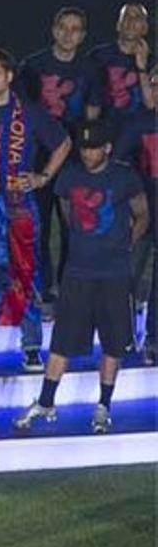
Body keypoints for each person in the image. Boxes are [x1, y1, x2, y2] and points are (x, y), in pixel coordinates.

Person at [14, 119, 149, 433]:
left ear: (107, 148)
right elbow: (64, 208)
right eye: (84, 149)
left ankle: (104, 405)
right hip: (78, 270)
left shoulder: (124, 176)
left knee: (113, 343)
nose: (88, 155)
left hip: (114, 271)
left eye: (93, 149)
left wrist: (129, 241)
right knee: (62, 340)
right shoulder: (70, 174)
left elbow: (142, 212)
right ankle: (46, 401)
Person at [0, 48, 71, 374]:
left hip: (19, 202)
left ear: (8, 76)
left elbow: (63, 144)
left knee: (26, 272)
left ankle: (32, 348)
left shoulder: (31, 114)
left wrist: (43, 176)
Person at [20, 6, 97, 301]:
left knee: (72, 225)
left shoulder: (89, 69)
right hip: (38, 155)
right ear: (54, 30)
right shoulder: (33, 66)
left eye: (75, 29)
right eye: (63, 27)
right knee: (37, 224)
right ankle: (42, 288)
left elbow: (92, 115)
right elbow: (23, 115)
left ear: (83, 35)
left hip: (74, 158)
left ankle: (68, 287)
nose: (68, 34)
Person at [112, 64, 158, 362]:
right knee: (126, 272)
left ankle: (153, 338)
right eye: (155, 83)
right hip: (141, 208)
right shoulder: (138, 122)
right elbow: (117, 162)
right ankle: (122, 337)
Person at [87, 3, 153, 131]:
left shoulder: (153, 63)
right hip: (103, 130)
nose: (131, 21)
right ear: (118, 25)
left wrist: (141, 68)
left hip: (140, 133)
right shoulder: (98, 56)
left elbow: (151, 105)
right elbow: (87, 96)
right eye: (126, 16)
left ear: (145, 28)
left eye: (137, 17)